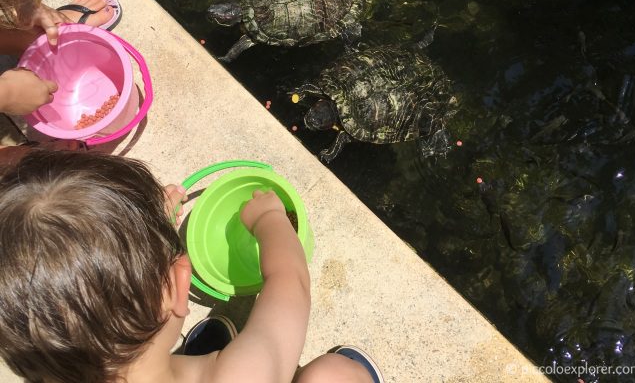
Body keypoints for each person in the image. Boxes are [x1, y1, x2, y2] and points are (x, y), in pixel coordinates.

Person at [0, 149, 384, 383]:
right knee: (331, 375)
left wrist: (151, 233)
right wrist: (270, 218)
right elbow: (291, 284)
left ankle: (200, 350)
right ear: (179, 284)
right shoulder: (243, 376)